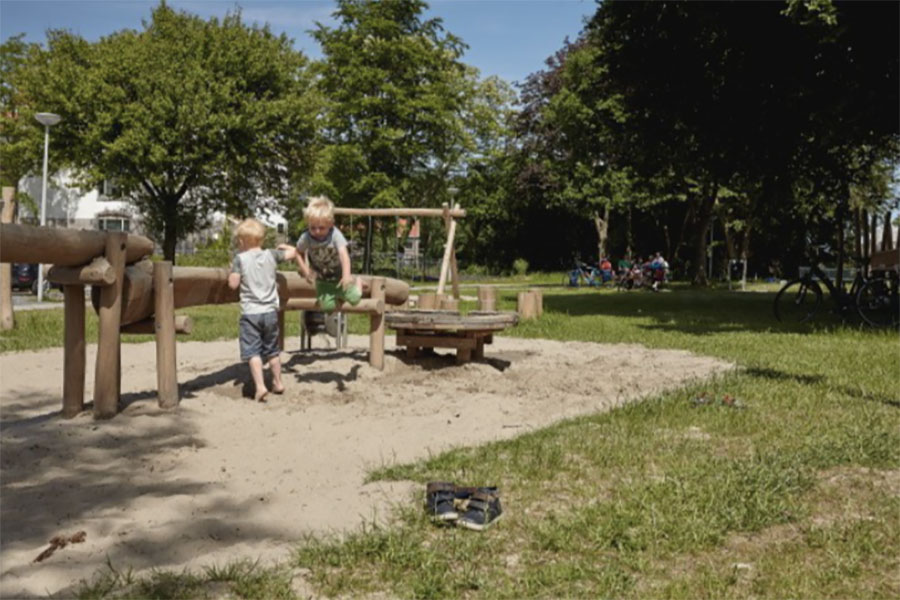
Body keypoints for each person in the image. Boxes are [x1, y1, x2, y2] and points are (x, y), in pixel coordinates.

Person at [227, 218, 297, 403]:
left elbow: (233, 284)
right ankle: (278, 382)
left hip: (251, 312)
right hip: (270, 312)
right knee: (272, 351)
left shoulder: (239, 259)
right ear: (262, 239)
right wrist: (286, 246)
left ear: (241, 241)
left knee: (253, 352)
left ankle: (260, 387)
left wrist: (232, 272)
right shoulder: (271, 255)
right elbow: (295, 252)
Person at [293, 196, 363, 312]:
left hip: (339, 277)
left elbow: (344, 255)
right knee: (327, 308)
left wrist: (346, 275)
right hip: (322, 279)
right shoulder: (306, 237)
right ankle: (338, 297)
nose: (317, 231)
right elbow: (297, 252)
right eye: (312, 228)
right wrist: (305, 270)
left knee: (355, 299)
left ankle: (358, 283)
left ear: (330, 224)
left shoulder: (335, 235)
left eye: (321, 228)